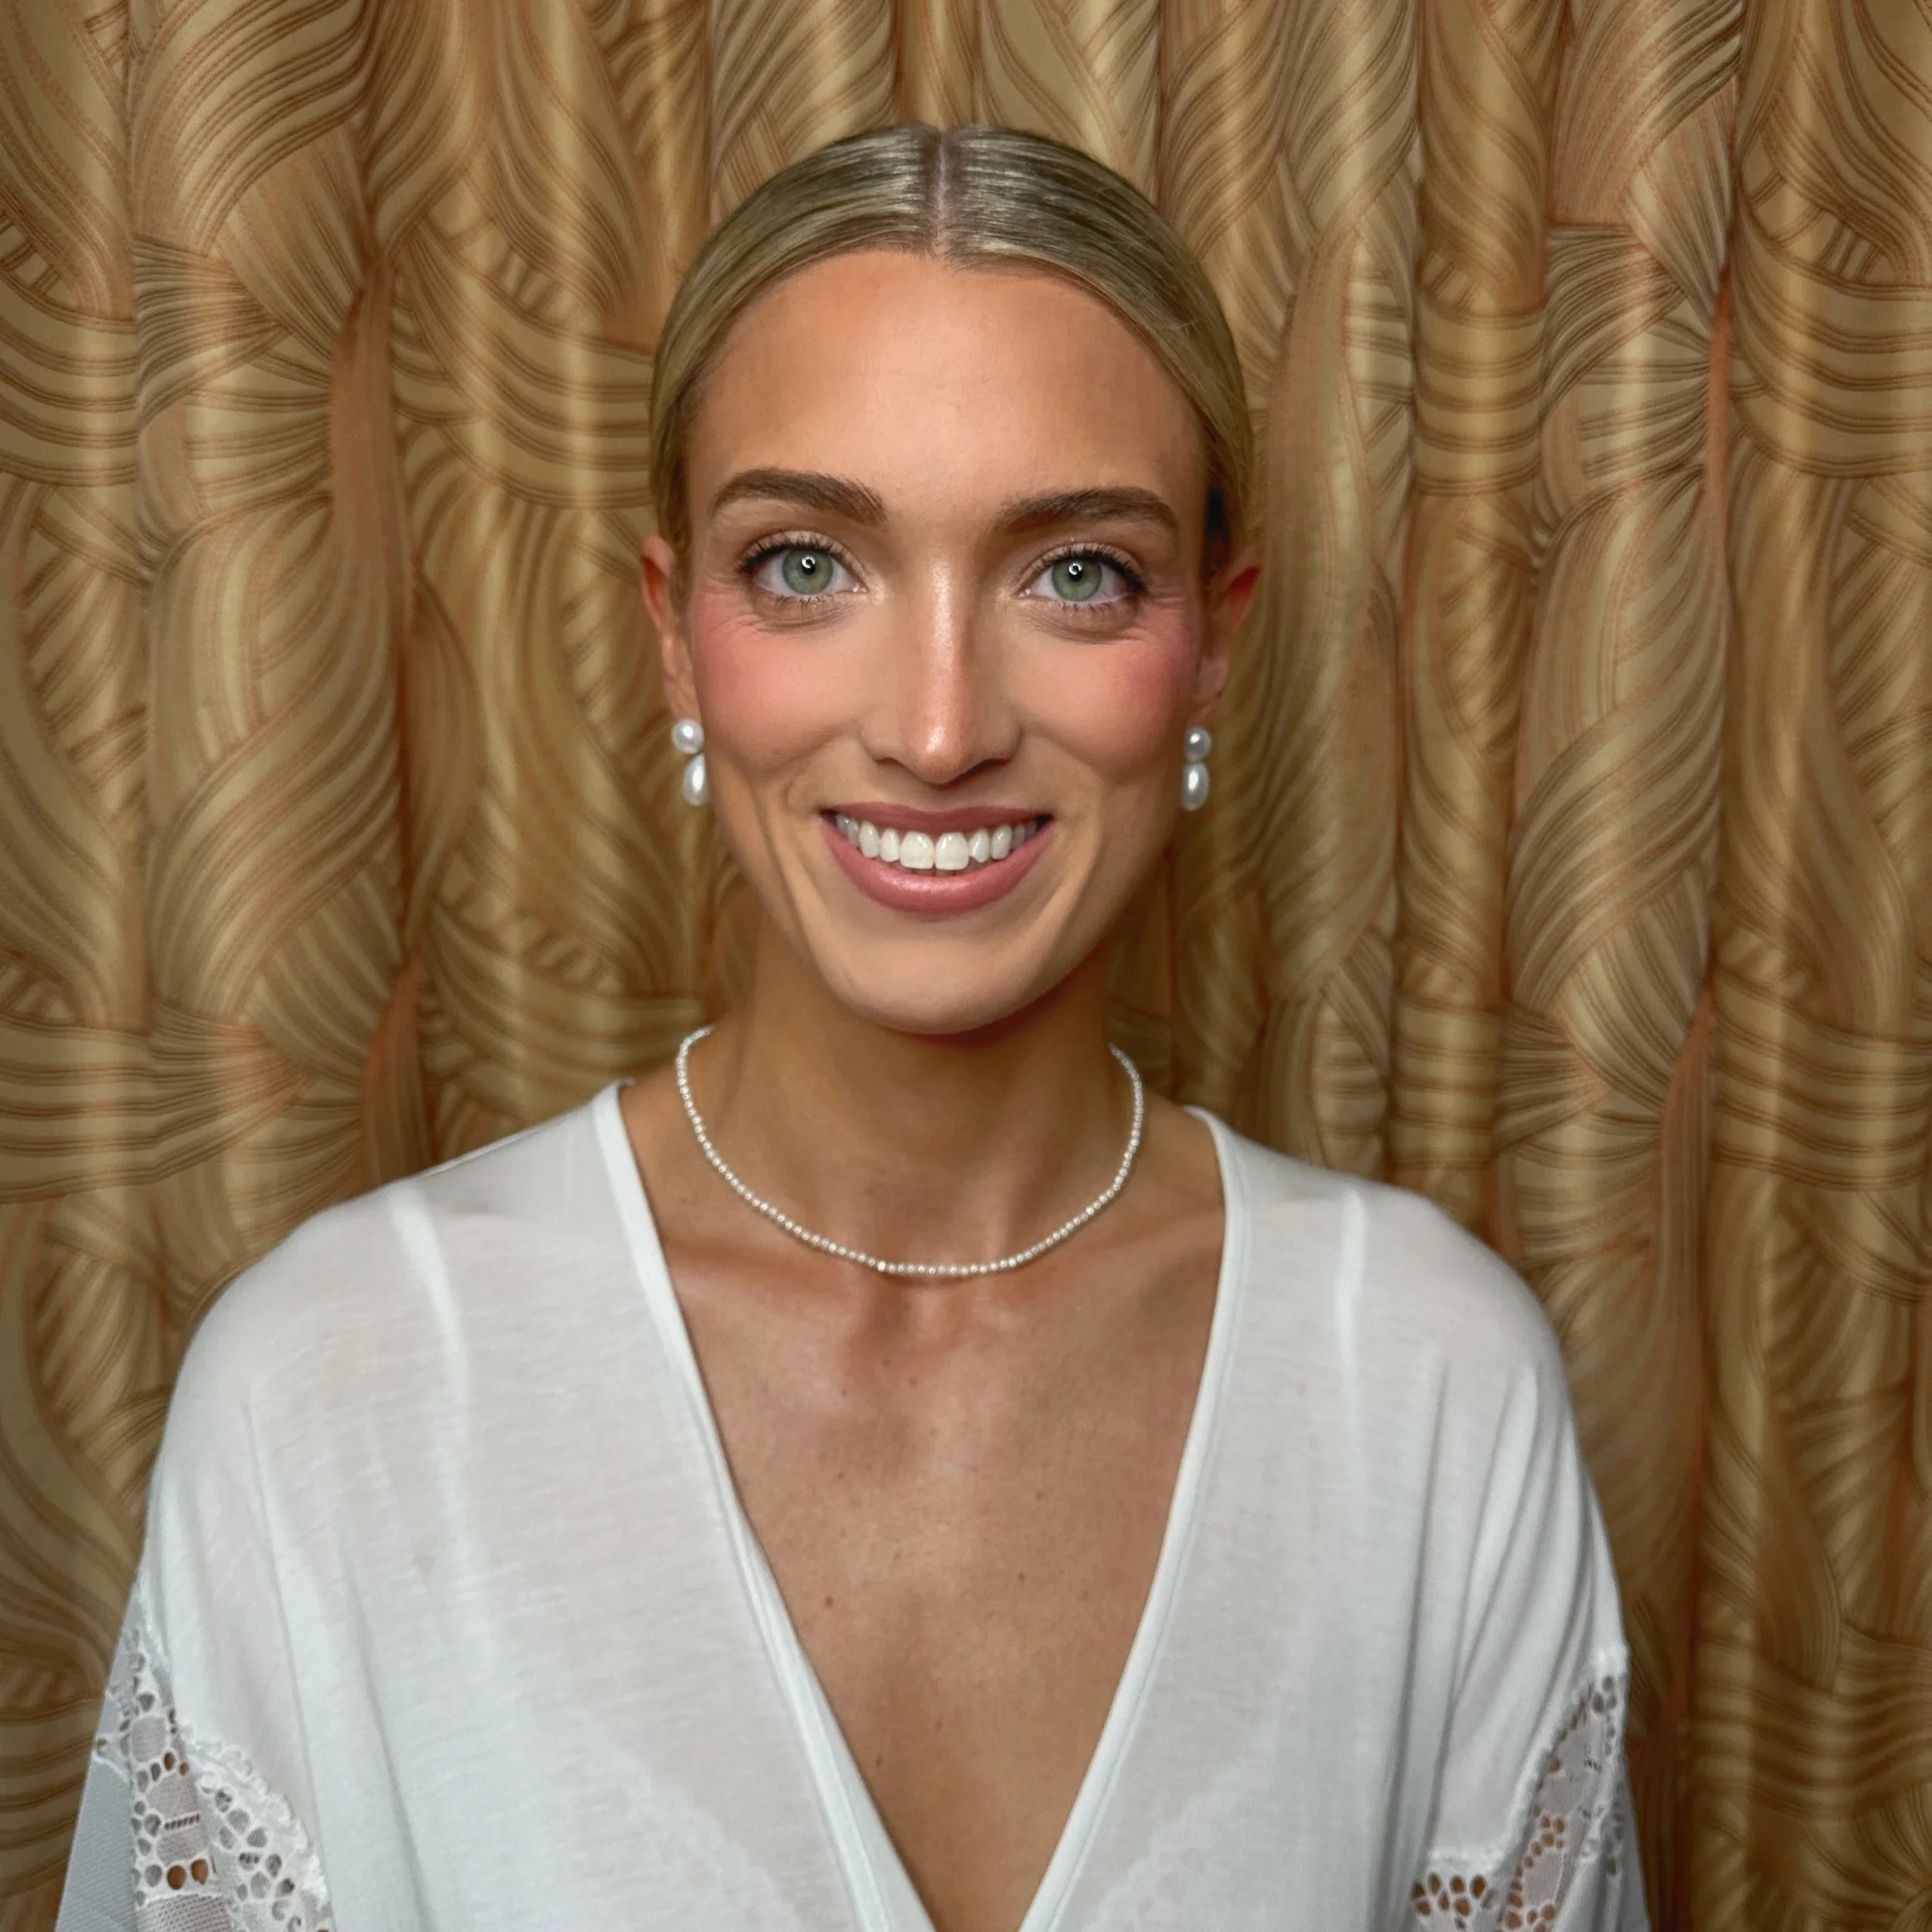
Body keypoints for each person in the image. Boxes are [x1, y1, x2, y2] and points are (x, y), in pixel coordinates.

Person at [56, 125, 1646, 1932]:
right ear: (676, 636)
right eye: (809, 564)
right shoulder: (328, 1395)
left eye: (1076, 573)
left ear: (1213, 638)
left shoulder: (1432, 1387)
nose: (941, 724)